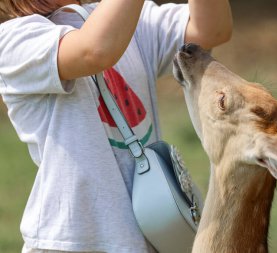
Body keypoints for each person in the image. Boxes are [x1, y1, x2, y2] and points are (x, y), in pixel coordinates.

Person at [0, 0, 232, 252]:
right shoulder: (14, 39)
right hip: (75, 243)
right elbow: (95, 50)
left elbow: (211, 30)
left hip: (150, 235)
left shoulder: (127, 17)